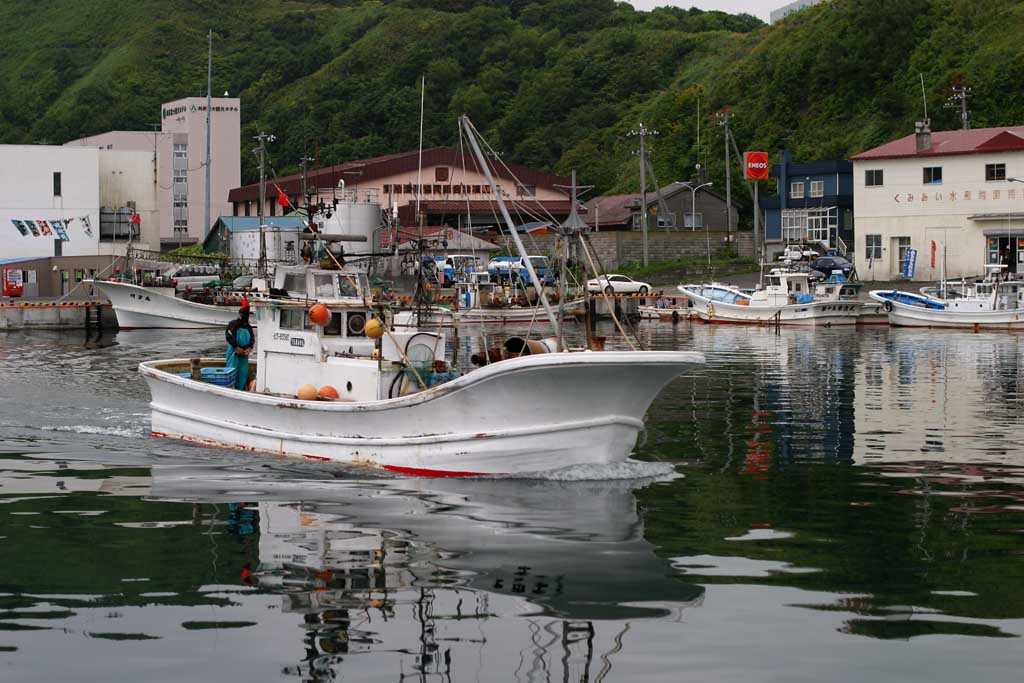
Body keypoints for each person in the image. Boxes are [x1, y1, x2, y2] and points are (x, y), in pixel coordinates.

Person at [225, 299, 255, 390]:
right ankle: (230, 390)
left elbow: (252, 339)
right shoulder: (233, 324)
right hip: (234, 353)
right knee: (232, 372)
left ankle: (240, 390)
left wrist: (249, 348)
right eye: (244, 314)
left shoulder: (249, 327)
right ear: (240, 314)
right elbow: (229, 336)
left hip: (244, 355)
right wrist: (236, 347)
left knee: (242, 373)